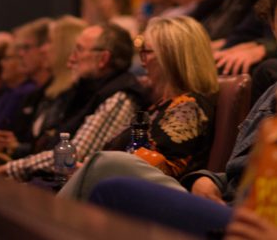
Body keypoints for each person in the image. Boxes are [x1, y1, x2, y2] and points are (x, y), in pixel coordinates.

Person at [84, 0, 277, 237]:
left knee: (110, 176)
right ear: (273, 26)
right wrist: (207, 179)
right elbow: (238, 170)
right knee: (107, 173)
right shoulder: (275, 90)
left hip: (261, 222)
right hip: (229, 206)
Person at [57, 16, 219, 197]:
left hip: (157, 201)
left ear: (170, 57)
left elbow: (152, 172)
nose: (142, 62)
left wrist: (100, 169)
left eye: (146, 52)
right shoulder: (157, 105)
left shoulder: (189, 107)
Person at [0, 23, 149, 180]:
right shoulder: (88, 91)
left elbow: (71, 156)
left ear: (103, 59)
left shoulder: (120, 97)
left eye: (79, 50)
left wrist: (10, 169)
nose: (71, 59)